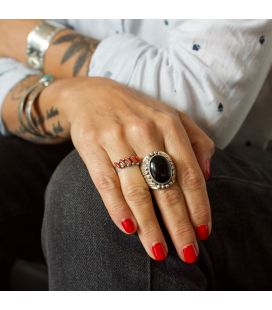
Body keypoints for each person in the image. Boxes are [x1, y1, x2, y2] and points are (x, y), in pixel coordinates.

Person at [0, 19, 272, 290]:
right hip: (73, 121)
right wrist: (71, 97)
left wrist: (25, 35)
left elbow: (193, 106)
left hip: (230, 152)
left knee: (105, 191)